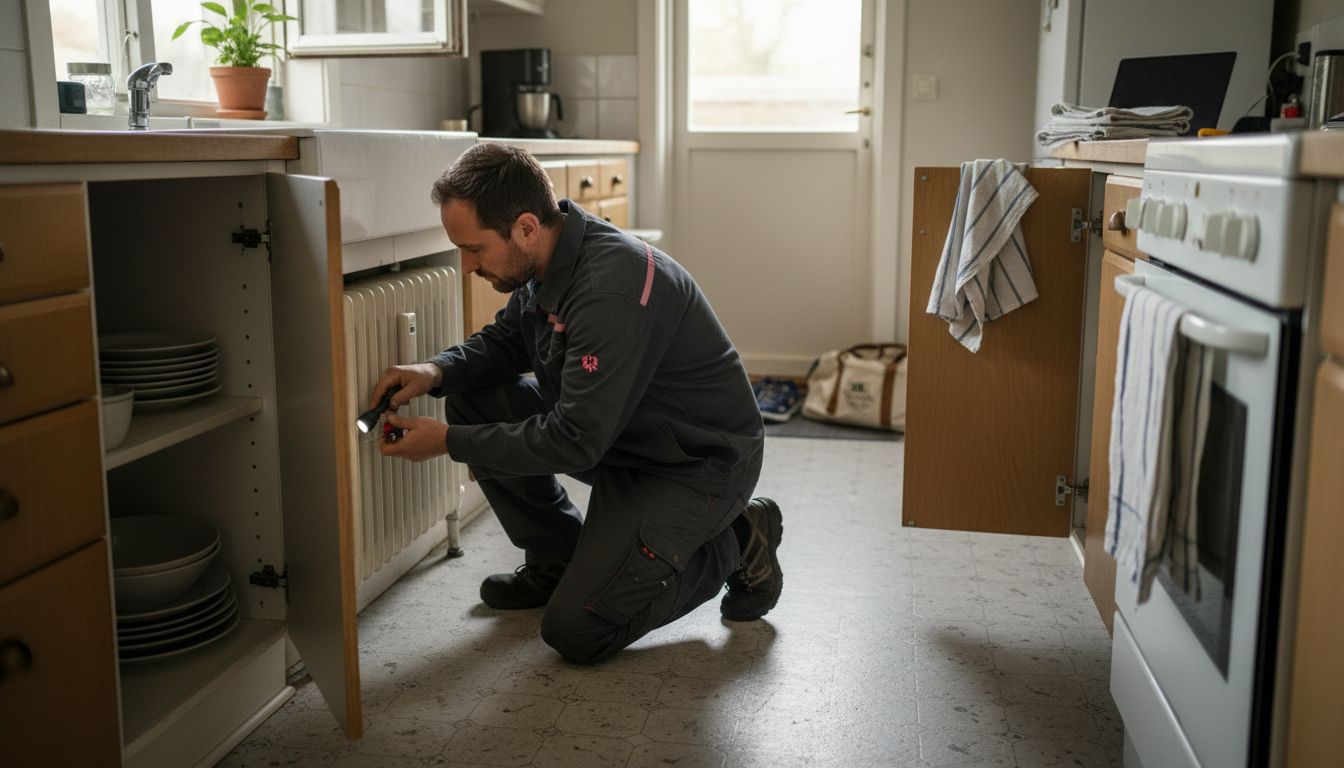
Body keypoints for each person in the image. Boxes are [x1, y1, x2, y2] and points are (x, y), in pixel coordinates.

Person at [367, 143, 782, 665]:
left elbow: (575, 439)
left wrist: (448, 443)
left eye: (474, 248)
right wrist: (435, 371)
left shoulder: (610, 290)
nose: (467, 265)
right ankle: (556, 560)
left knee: (578, 630)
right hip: (623, 437)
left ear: (525, 227)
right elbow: (508, 341)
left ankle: (740, 537)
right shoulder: (551, 255)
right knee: (475, 396)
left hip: (694, 465)